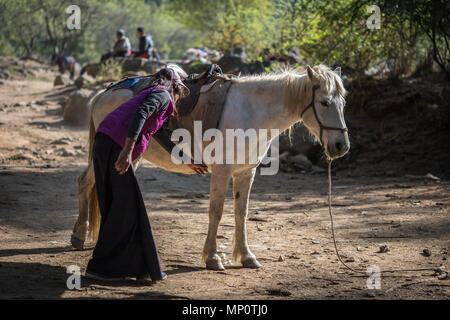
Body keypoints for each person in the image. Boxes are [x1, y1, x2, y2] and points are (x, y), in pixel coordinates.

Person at [84, 67, 208, 283]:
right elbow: (140, 114)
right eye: (180, 92)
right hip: (115, 146)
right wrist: (127, 150)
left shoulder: (155, 96)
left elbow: (158, 134)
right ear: (176, 87)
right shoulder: (161, 94)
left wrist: (186, 159)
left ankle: (125, 269)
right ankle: (108, 268)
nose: (180, 98)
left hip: (105, 143)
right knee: (128, 210)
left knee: (117, 208)